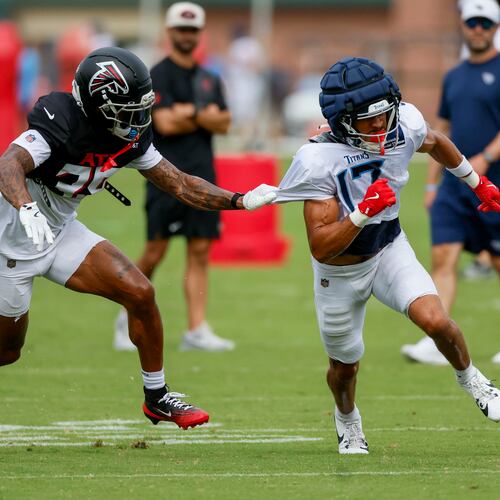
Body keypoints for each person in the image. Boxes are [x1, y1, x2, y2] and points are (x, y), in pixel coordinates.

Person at [0, 46, 276, 429]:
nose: (138, 119)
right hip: (11, 239)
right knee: (7, 352)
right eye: (128, 109)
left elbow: (180, 184)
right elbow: (9, 163)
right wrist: (25, 207)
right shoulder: (60, 118)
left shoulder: (128, 135)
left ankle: (157, 397)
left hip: (60, 229)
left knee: (140, 292)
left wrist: (239, 199)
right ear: (98, 104)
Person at [274, 56, 500, 455]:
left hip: (390, 247)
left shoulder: (404, 122)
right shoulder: (316, 160)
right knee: (345, 368)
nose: (380, 126)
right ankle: (347, 420)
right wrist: (362, 213)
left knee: (436, 320)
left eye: (384, 114)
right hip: (339, 271)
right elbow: (321, 246)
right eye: (367, 120)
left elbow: (436, 142)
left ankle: (473, 380)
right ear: (343, 120)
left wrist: (476, 181)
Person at [113, 2, 234, 352]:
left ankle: (196, 330)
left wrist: (188, 113)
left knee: (199, 251)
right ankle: (125, 317)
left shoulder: (210, 77)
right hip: (163, 175)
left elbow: (225, 122)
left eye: (192, 29)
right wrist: (202, 114)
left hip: (204, 175)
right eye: (181, 29)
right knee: (154, 251)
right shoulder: (157, 75)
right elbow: (164, 123)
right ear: (170, 32)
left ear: (200, 34)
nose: (187, 35)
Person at [401, 0, 500, 366]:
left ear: (494, 28)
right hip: (453, 185)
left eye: (484, 23)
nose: (477, 28)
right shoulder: (454, 76)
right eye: (472, 22)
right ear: (463, 25)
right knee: (443, 257)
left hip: (493, 185)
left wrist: (485, 158)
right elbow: (441, 130)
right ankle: (438, 340)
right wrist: (431, 183)